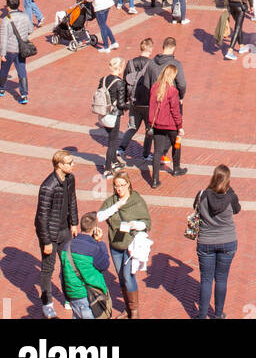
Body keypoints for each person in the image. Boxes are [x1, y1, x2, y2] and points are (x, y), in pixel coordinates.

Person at [98, 170, 152, 318]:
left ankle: (135, 313)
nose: (119, 189)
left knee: (128, 277)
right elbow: (100, 216)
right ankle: (127, 310)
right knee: (121, 277)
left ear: (129, 184)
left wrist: (135, 224)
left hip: (131, 245)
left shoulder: (137, 200)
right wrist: (116, 206)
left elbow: (147, 223)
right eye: (116, 186)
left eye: (122, 185)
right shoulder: (111, 201)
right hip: (115, 245)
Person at [35, 150, 79, 318]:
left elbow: (73, 200)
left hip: (65, 230)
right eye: (69, 162)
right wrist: (46, 241)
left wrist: (74, 222)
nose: (73, 164)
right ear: (59, 165)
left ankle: (68, 297)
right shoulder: (48, 186)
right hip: (50, 234)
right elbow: (42, 216)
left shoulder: (70, 179)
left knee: (67, 264)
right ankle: (47, 303)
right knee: (48, 269)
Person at [193, 164, 240, 320]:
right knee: (221, 278)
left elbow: (195, 208)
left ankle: (202, 315)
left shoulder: (202, 195)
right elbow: (237, 209)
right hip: (228, 241)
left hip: (206, 242)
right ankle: (218, 314)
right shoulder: (231, 196)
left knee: (206, 279)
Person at [58, 212, 111, 320]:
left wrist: (67, 297)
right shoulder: (94, 248)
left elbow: (62, 275)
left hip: (73, 295)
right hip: (88, 298)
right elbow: (105, 264)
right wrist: (100, 242)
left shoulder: (66, 247)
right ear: (95, 229)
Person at [118, 38, 155, 165]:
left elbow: (124, 82)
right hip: (148, 102)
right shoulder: (152, 64)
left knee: (132, 126)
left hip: (133, 101)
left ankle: (121, 148)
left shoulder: (130, 63)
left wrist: (124, 102)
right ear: (150, 49)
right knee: (149, 130)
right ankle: (145, 154)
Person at [148, 64, 185, 188]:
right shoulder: (173, 91)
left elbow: (152, 107)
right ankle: (176, 168)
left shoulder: (155, 87)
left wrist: (150, 123)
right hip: (170, 125)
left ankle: (154, 180)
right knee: (177, 144)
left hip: (157, 124)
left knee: (157, 151)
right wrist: (180, 126)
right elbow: (175, 110)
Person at [0, 0, 31, 104]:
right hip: (22, 50)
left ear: (8, 7)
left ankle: (0, 88)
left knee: (4, 70)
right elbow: (30, 30)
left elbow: (3, 38)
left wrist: (2, 54)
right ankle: (24, 94)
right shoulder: (25, 16)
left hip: (9, 50)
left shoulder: (6, 19)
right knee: (22, 71)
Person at [94, 55, 127, 177]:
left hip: (103, 113)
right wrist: (129, 106)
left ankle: (114, 161)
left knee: (110, 138)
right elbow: (121, 104)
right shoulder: (120, 83)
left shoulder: (103, 79)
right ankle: (108, 168)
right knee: (112, 143)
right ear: (120, 68)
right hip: (114, 115)